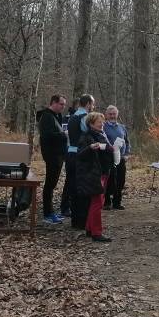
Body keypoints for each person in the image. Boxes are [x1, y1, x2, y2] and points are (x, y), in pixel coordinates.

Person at [76, 112, 114, 242]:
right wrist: (90, 148)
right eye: (99, 122)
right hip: (94, 174)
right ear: (91, 123)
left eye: (102, 122)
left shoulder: (100, 135)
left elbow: (107, 150)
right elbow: (80, 154)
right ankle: (96, 233)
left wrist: (113, 149)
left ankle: (89, 228)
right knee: (97, 203)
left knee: (96, 202)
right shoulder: (86, 137)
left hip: (104, 172)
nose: (102, 124)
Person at [37, 95, 68, 224]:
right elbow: (46, 136)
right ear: (53, 103)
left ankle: (50, 212)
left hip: (58, 154)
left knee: (52, 184)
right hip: (52, 155)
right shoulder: (46, 116)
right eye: (61, 104)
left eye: (64, 105)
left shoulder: (56, 116)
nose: (63, 107)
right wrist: (63, 134)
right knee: (50, 184)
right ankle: (47, 214)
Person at [66, 94, 95, 230]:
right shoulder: (84, 118)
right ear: (88, 104)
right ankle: (81, 220)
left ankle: (74, 219)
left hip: (70, 153)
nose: (93, 107)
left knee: (72, 186)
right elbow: (87, 133)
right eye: (92, 104)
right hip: (80, 155)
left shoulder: (72, 117)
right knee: (81, 187)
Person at [103, 105, 131, 210]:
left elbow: (127, 142)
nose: (112, 116)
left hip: (121, 158)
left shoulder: (122, 127)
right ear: (106, 115)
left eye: (114, 114)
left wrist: (127, 154)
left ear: (117, 114)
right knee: (108, 180)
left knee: (120, 180)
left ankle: (117, 202)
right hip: (108, 158)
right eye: (110, 114)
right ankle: (106, 202)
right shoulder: (103, 127)